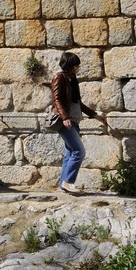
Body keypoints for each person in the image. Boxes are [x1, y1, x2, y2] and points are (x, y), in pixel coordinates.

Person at [51, 51, 106, 194]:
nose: (78, 67)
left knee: (70, 153)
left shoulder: (72, 79)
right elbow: (56, 99)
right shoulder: (59, 77)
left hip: (74, 121)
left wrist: (94, 115)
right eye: (76, 65)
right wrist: (65, 118)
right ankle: (68, 182)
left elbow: (78, 103)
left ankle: (63, 185)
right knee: (79, 151)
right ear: (69, 64)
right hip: (66, 122)